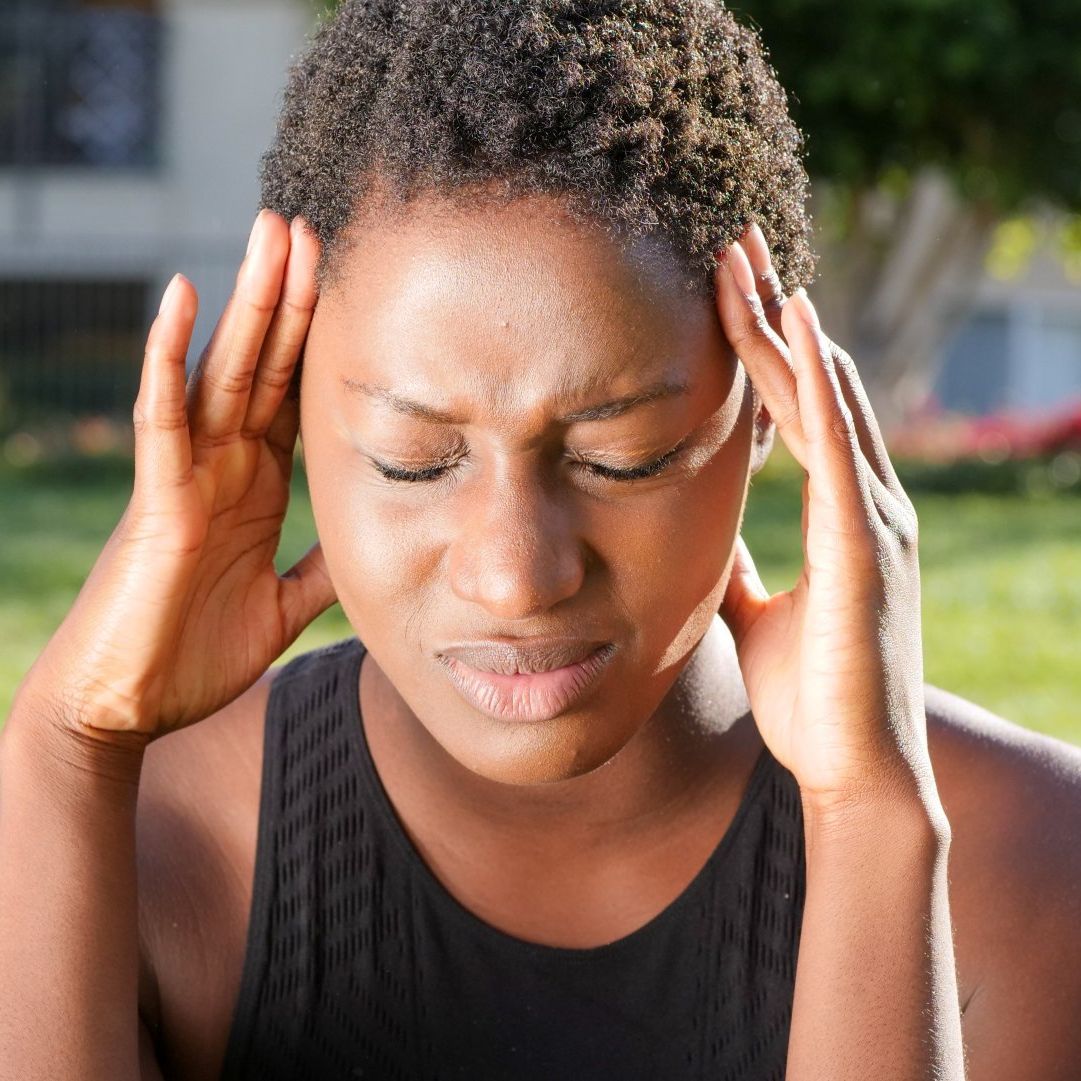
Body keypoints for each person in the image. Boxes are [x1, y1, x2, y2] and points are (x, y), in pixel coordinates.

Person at [2, 1, 1080, 1078]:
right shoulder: (135, 848)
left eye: (622, 458)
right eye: (413, 460)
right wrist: (64, 744)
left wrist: (872, 821)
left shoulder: (1036, 867)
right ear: (283, 419)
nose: (517, 575)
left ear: (767, 411)